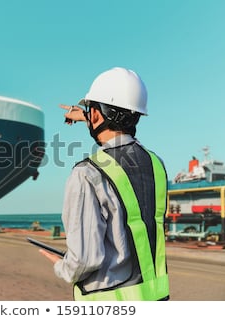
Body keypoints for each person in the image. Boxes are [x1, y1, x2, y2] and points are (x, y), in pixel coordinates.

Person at [40, 67, 169, 301]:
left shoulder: (87, 173)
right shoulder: (156, 165)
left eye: (92, 111)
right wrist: (90, 115)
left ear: (97, 116)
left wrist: (62, 266)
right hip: (156, 298)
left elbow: (83, 261)